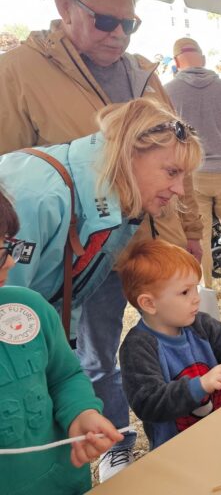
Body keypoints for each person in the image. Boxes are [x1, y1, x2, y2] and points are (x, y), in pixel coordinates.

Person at [0, 0, 203, 479]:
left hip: (89, 257)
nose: (119, 34)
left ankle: (95, 454)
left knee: (73, 359)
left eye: (129, 23)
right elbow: (14, 311)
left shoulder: (141, 78)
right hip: (45, 261)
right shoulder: (38, 198)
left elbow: (50, 346)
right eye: (106, 21)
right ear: (65, 8)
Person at [0, 189, 125, 495]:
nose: (11, 263)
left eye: (6, 245)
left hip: (64, 484)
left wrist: (81, 413)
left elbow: (65, 375)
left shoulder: (28, 308)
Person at [117, 240, 221, 450]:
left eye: (195, 288)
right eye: (185, 292)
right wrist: (200, 385)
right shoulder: (138, 347)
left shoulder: (201, 324)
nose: (196, 299)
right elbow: (148, 402)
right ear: (149, 303)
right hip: (177, 451)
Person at [165, 37, 221, 296]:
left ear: (177, 60)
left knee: (199, 235)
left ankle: (206, 288)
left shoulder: (167, 91)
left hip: (193, 174)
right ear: (202, 58)